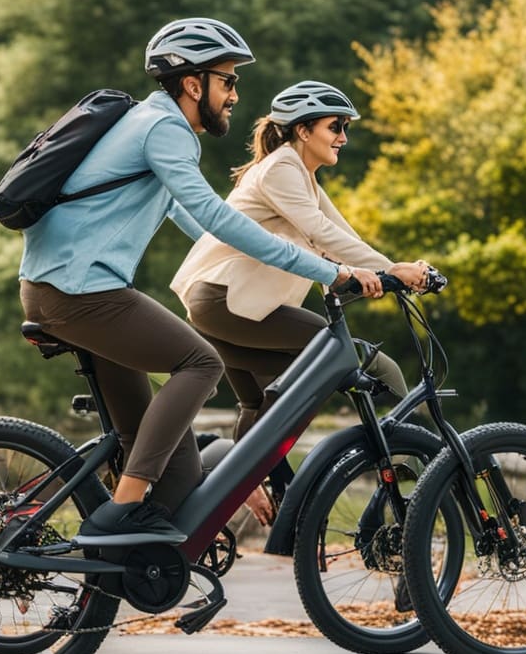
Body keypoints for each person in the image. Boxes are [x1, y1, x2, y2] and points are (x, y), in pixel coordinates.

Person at [19, 21, 383, 541]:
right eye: (228, 81)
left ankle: (122, 551)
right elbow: (216, 217)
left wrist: (234, 258)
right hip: (79, 292)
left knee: (178, 474)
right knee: (202, 361)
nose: (236, 96)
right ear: (194, 84)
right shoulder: (163, 128)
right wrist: (332, 271)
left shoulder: (149, 124)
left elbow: (194, 223)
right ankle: (121, 512)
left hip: (64, 288)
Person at [170, 80, 431, 525]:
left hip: (221, 304)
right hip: (227, 300)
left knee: (261, 405)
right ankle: (426, 477)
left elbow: (337, 235)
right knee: (370, 366)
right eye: (336, 127)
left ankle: (222, 504)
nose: (344, 138)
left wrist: (388, 269)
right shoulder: (280, 169)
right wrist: (392, 271)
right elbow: (320, 233)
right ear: (304, 130)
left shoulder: (300, 174)